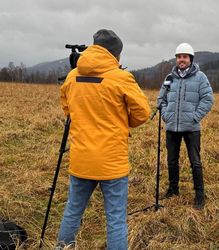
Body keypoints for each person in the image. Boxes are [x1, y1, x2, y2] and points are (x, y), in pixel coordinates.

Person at [56, 29, 150, 249]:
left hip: (81, 159)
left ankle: (62, 247)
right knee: (116, 219)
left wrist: (83, 119)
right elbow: (143, 113)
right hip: (111, 162)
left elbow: (67, 108)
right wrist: (122, 121)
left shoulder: (72, 76)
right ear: (116, 54)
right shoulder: (121, 77)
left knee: (72, 210)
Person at [158, 42, 214, 210]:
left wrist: (194, 117)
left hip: (191, 129)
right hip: (172, 128)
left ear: (190, 59)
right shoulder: (169, 78)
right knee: (171, 160)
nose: (181, 59)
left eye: (185, 57)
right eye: (179, 57)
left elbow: (208, 99)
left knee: (195, 162)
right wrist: (166, 115)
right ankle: (173, 190)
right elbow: (161, 99)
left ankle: (199, 195)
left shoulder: (200, 77)